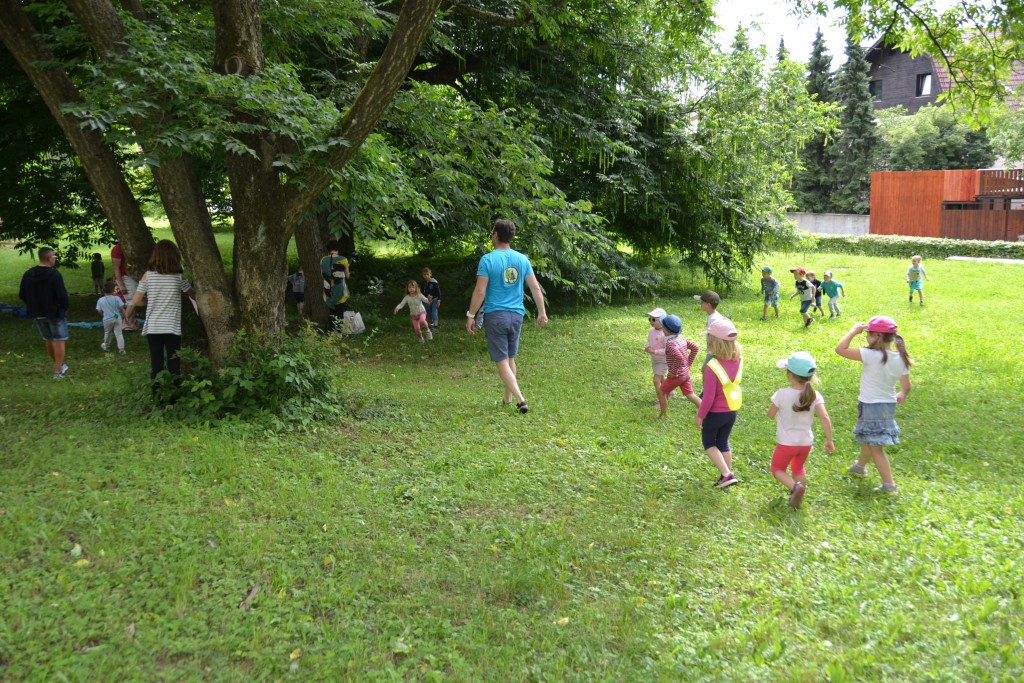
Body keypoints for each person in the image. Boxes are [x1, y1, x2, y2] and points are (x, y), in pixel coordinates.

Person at [466, 218, 548, 414]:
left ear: (495, 235)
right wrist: (541, 312)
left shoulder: (488, 260)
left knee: (501, 360)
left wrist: (470, 315)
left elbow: (480, 291)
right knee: (510, 357)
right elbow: (535, 287)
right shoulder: (522, 259)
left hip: (496, 316)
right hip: (517, 315)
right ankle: (507, 399)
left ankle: (520, 399)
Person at [835, 316, 913, 494]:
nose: (866, 337)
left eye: (868, 334)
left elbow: (840, 349)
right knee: (870, 437)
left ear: (877, 335)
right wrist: (902, 394)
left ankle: (889, 485)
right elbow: (907, 386)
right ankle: (860, 466)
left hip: (872, 406)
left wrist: (854, 331)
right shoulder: (901, 358)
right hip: (887, 406)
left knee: (876, 447)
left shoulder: (870, 355)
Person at [126, 240, 195, 398]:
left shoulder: (148, 276)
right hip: (172, 327)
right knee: (174, 364)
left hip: (153, 327)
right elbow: (191, 294)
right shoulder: (178, 277)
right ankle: (175, 398)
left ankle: (157, 397)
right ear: (174, 256)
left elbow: (136, 301)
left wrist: (142, 305)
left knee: (156, 364)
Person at [768, 351, 835, 509]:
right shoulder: (815, 395)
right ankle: (798, 497)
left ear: (789, 375)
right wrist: (829, 440)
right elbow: (825, 418)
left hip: (786, 443)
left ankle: (795, 488)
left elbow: (770, 414)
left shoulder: (782, 394)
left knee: (777, 469)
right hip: (805, 443)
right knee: (798, 468)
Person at [695, 318, 742, 489]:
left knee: (709, 443)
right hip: (731, 411)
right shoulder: (738, 360)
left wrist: (700, 416)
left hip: (715, 413)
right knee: (723, 442)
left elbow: (708, 397)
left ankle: (726, 474)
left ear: (714, 341)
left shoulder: (712, 366)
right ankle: (728, 475)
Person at [19, 247, 70, 379]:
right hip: (55, 313)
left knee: (48, 339)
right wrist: (64, 307)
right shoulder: (54, 275)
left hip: (37, 313)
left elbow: (22, 294)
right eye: (54, 257)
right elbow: (61, 295)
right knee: (59, 340)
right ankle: (57, 372)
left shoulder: (28, 274)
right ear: (49, 258)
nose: (55, 259)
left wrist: (33, 304)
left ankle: (59, 365)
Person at [657, 314, 701, 418]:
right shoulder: (681, 339)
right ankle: (706, 411)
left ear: (665, 330)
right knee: (690, 394)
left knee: (661, 392)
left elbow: (679, 357)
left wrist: (674, 371)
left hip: (677, 376)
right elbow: (695, 348)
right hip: (685, 374)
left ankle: (664, 415)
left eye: (663, 326)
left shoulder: (670, 344)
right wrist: (688, 365)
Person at [644, 307, 672, 406]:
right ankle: (668, 391)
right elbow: (650, 340)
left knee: (656, 380)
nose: (651, 321)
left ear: (662, 320)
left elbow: (667, 350)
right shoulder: (651, 330)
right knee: (661, 378)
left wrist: (655, 351)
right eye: (650, 319)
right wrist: (647, 347)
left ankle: (662, 399)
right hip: (655, 360)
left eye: (654, 319)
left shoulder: (665, 334)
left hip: (663, 361)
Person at [320, 240, 350, 330]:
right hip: (340, 288)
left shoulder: (323, 260)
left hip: (328, 289)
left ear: (328, 249)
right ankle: (339, 333)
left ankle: (331, 332)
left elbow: (322, 275)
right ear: (338, 248)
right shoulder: (343, 259)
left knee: (332, 311)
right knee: (340, 311)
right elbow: (347, 275)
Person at [111, 242, 139, 330]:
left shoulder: (130, 246)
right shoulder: (118, 249)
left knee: (133, 301)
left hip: (131, 277)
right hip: (125, 278)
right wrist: (122, 285)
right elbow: (116, 268)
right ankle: (125, 323)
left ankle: (130, 323)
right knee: (132, 301)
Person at [96, 281, 128, 354]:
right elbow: (122, 309)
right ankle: (121, 349)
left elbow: (99, 311)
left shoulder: (100, 300)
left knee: (107, 333)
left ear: (102, 290)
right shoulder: (117, 298)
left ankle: (106, 346)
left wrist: (103, 315)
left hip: (107, 319)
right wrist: (126, 318)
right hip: (117, 318)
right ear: (114, 290)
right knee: (119, 333)